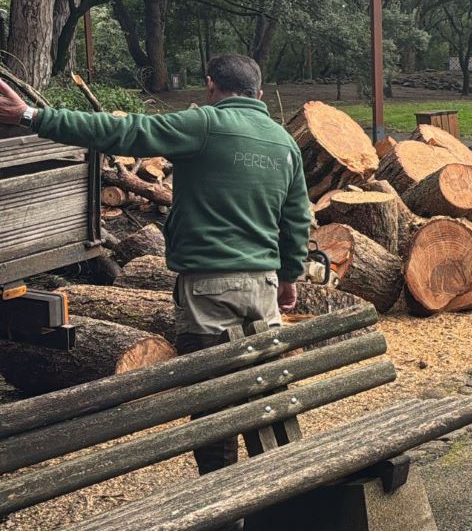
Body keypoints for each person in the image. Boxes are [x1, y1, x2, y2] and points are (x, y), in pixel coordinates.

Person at [0, 54, 311, 481]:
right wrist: (289, 277)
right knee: (265, 394)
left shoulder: (203, 123)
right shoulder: (283, 142)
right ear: (258, 93)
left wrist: (33, 115)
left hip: (209, 290)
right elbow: (296, 220)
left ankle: (223, 505)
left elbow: (124, 131)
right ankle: (278, 492)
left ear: (210, 86)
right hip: (262, 286)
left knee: (211, 402)